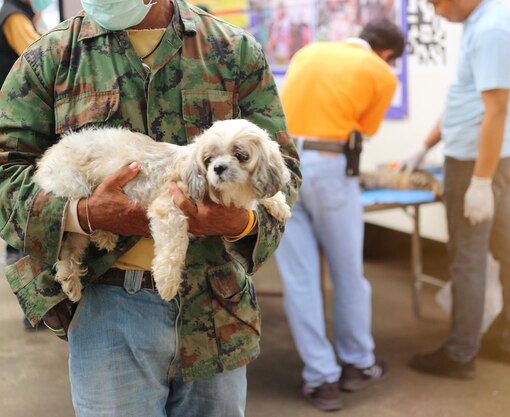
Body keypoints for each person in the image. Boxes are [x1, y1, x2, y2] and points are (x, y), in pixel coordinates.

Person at [0, 1, 300, 416]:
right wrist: (83, 215)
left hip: (216, 307)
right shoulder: (51, 57)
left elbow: (285, 168)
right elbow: (6, 173)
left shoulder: (234, 50)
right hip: (106, 305)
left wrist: (240, 222)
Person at [275, 18, 405, 412]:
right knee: (348, 273)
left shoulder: (308, 51)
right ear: (387, 54)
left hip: (281, 168)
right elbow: (364, 130)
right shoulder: (381, 73)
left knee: (299, 280)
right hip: (331, 170)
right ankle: (358, 364)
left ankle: (321, 379)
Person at [402, 0, 510, 380]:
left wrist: (479, 181)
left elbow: (495, 110)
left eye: (437, 3)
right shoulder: (485, 22)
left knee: (468, 255)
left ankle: (460, 353)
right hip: (497, 156)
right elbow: (465, 98)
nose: (437, 13)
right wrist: (424, 145)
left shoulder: (490, 30)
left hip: (477, 161)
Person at [0, 0, 50, 331]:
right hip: (18, 124)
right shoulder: (13, 14)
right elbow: (37, 53)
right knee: (26, 212)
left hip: (20, 119)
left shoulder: (19, 12)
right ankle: (33, 305)